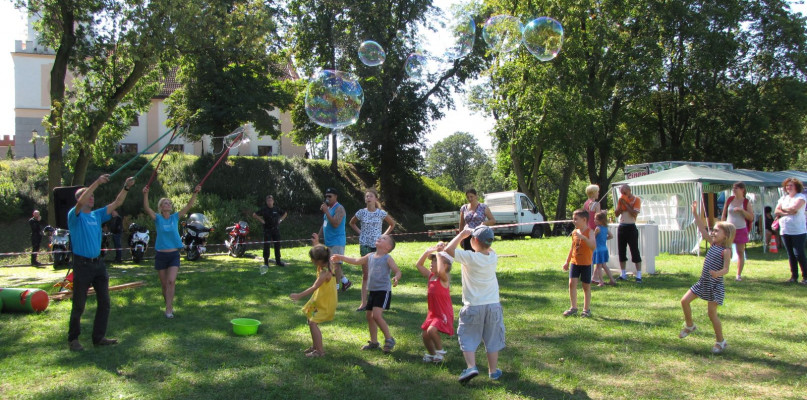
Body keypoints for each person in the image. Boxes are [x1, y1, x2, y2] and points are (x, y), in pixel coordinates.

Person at [67, 174, 135, 351]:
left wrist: (126, 187)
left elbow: (117, 203)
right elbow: (81, 202)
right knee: (79, 304)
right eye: (88, 195)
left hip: (98, 264)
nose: (92, 197)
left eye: (93, 196)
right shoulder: (74, 216)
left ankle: (99, 337)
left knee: (104, 302)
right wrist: (96, 182)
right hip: (82, 265)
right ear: (80, 199)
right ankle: (73, 339)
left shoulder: (96, 215)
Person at [445, 225, 504, 384]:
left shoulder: (469, 257)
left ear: (475, 240)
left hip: (473, 306)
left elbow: (448, 250)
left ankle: (471, 366)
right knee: (492, 339)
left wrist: (462, 235)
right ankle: (493, 371)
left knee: (468, 336)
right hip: (493, 305)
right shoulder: (493, 256)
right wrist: (478, 234)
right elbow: (487, 247)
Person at [680, 202, 735, 354]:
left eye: (717, 231)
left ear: (726, 235)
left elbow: (726, 269)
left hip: (715, 285)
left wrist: (719, 273)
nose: (713, 233)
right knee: (684, 301)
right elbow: (702, 229)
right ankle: (690, 325)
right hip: (703, 282)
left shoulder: (726, 251)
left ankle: (720, 341)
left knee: (711, 314)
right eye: (714, 230)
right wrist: (696, 214)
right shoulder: (712, 244)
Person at [332, 234, 401, 353]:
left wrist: (396, 277)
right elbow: (356, 261)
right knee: (369, 316)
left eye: (384, 238)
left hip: (383, 291)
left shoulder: (387, 258)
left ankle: (389, 339)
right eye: (380, 237)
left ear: (388, 247)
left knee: (376, 316)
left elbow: (397, 271)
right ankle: (374, 342)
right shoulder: (370, 256)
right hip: (373, 291)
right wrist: (340, 257)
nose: (379, 238)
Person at [143, 185, 201, 318]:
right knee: (164, 285)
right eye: (165, 203)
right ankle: (168, 304)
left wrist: (195, 192)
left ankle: (169, 309)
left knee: (171, 281)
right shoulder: (158, 218)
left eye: (169, 203)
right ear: (161, 207)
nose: (168, 204)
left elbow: (188, 206)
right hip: (161, 255)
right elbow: (147, 208)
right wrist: (145, 194)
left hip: (174, 254)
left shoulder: (175, 217)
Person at [290, 234, 337, 358]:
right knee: (309, 318)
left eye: (313, 260)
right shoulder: (328, 260)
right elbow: (322, 251)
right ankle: (315, 346)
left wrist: (299, 295)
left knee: (312, 323)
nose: (312, 261)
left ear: (320, 261)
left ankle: (320, 352)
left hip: (325, 302)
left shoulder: (325, 273)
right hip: (318, 299)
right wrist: (316, 243)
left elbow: (313, 287)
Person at [349, 188, 396, 311]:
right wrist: (361, 233)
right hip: (365, 244)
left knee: (378, 273)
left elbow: (392, 224)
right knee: (366, 274)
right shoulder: (361, 212)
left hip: (377, 246)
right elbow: (352, 223)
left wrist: (383, 236)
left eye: (370, 196)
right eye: (366, 196)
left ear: (375, 199)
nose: (368, 198)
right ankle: (363, 303)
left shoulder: (381, 213)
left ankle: (379, 301)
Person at [414, 242, 454, 363]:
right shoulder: (431, 276)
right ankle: (432, 355)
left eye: (434, 261)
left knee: (432, 331)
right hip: (433, 313)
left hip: (443, 312)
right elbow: (418, 265)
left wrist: (439, 253)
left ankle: (440, 352)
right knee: (425, 335)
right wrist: (427, 252)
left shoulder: (444, 278)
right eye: (431, 261)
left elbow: (441, 271)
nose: (431, 263)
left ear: (445, 266)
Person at [562, 210, 596, 317]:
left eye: (576, 219)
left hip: (586, 264)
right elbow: (572, 248)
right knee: (572, 283)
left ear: (584, 220)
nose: (574, 221)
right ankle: (573, 307)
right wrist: (567, 262)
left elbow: (593, 246)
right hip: (575, 263)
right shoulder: (574, 232)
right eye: (573, 218)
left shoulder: (590, 232)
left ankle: (586, 310)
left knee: (586, 286)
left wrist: (584, 238)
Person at [317, 188, 352, 291]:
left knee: (336, 265)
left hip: (337, 241)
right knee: (330, 264)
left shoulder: (339, 208)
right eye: (326, 196)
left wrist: (327, 211)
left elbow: (336, 223)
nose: (327, 198)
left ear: (335, 196)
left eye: (330, 196)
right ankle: (345, 281)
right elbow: (325, 223)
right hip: (329, 241)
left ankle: (335, 287)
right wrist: (318, 237)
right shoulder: (328, 209)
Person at [775, 178, 807, 284]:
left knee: (799, 253)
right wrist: (786, 212)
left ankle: (805, 277)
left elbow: (795, 209)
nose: (788, 187)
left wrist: (783, 210)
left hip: (798, 230)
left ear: (796, 186)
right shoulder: (783, 198)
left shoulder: (801, 197)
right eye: (787, 185)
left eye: (791, 185)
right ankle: (794, 276)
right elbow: (776, 211)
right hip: (785, 229)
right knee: (790, 254)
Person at [721, 182, 754, 281]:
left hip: (741, 229)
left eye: (736, 188)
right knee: (724, 251)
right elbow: (724, 214)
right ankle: (721, 272)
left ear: (742, 189)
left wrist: (742, 211)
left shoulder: (746, 202)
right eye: (733, 188)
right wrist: (721, 226)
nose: (734, 190)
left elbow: (751, 217)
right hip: (728, 229)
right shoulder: (730, 199)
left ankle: (738, 275)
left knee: (740, 252)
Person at [614, 184, 643, 282]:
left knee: (634, 250)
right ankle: (623, 273)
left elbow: (634, 213)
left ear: (629, 190)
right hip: (622, 226)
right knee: (621, 250)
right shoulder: (621, 199)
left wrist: (626, 204)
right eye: (622, 192)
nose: (623, 194)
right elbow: (616, 214)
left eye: (624, 192)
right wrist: (620, 208)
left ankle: (638, 275)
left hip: (631, 227)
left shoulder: (636, 200)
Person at [253, 194, 288, 268]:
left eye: (271, 200)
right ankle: (266, 263)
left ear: (273, 201)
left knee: (277, 245)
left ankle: (278, 261)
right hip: (267, 230)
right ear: (266, 202)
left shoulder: (276, 209)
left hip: (276, 229)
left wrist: (280, 220)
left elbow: (285, 213)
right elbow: (254, 214)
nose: (269, 202)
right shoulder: (264, 209)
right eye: (268, 201)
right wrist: (261, 220)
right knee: (266, 246)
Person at [591, 211, 616, 286]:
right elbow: (611, 236)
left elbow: (593, 238)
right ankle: (612, 279)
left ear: (601, 220)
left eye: (596, 219)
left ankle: (601, 281)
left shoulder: (597, 228)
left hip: (598, 249)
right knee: (604, 265)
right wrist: (604, 239)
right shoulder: (605, 228)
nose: (594, 220)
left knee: (599, 266)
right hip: (604, 248)